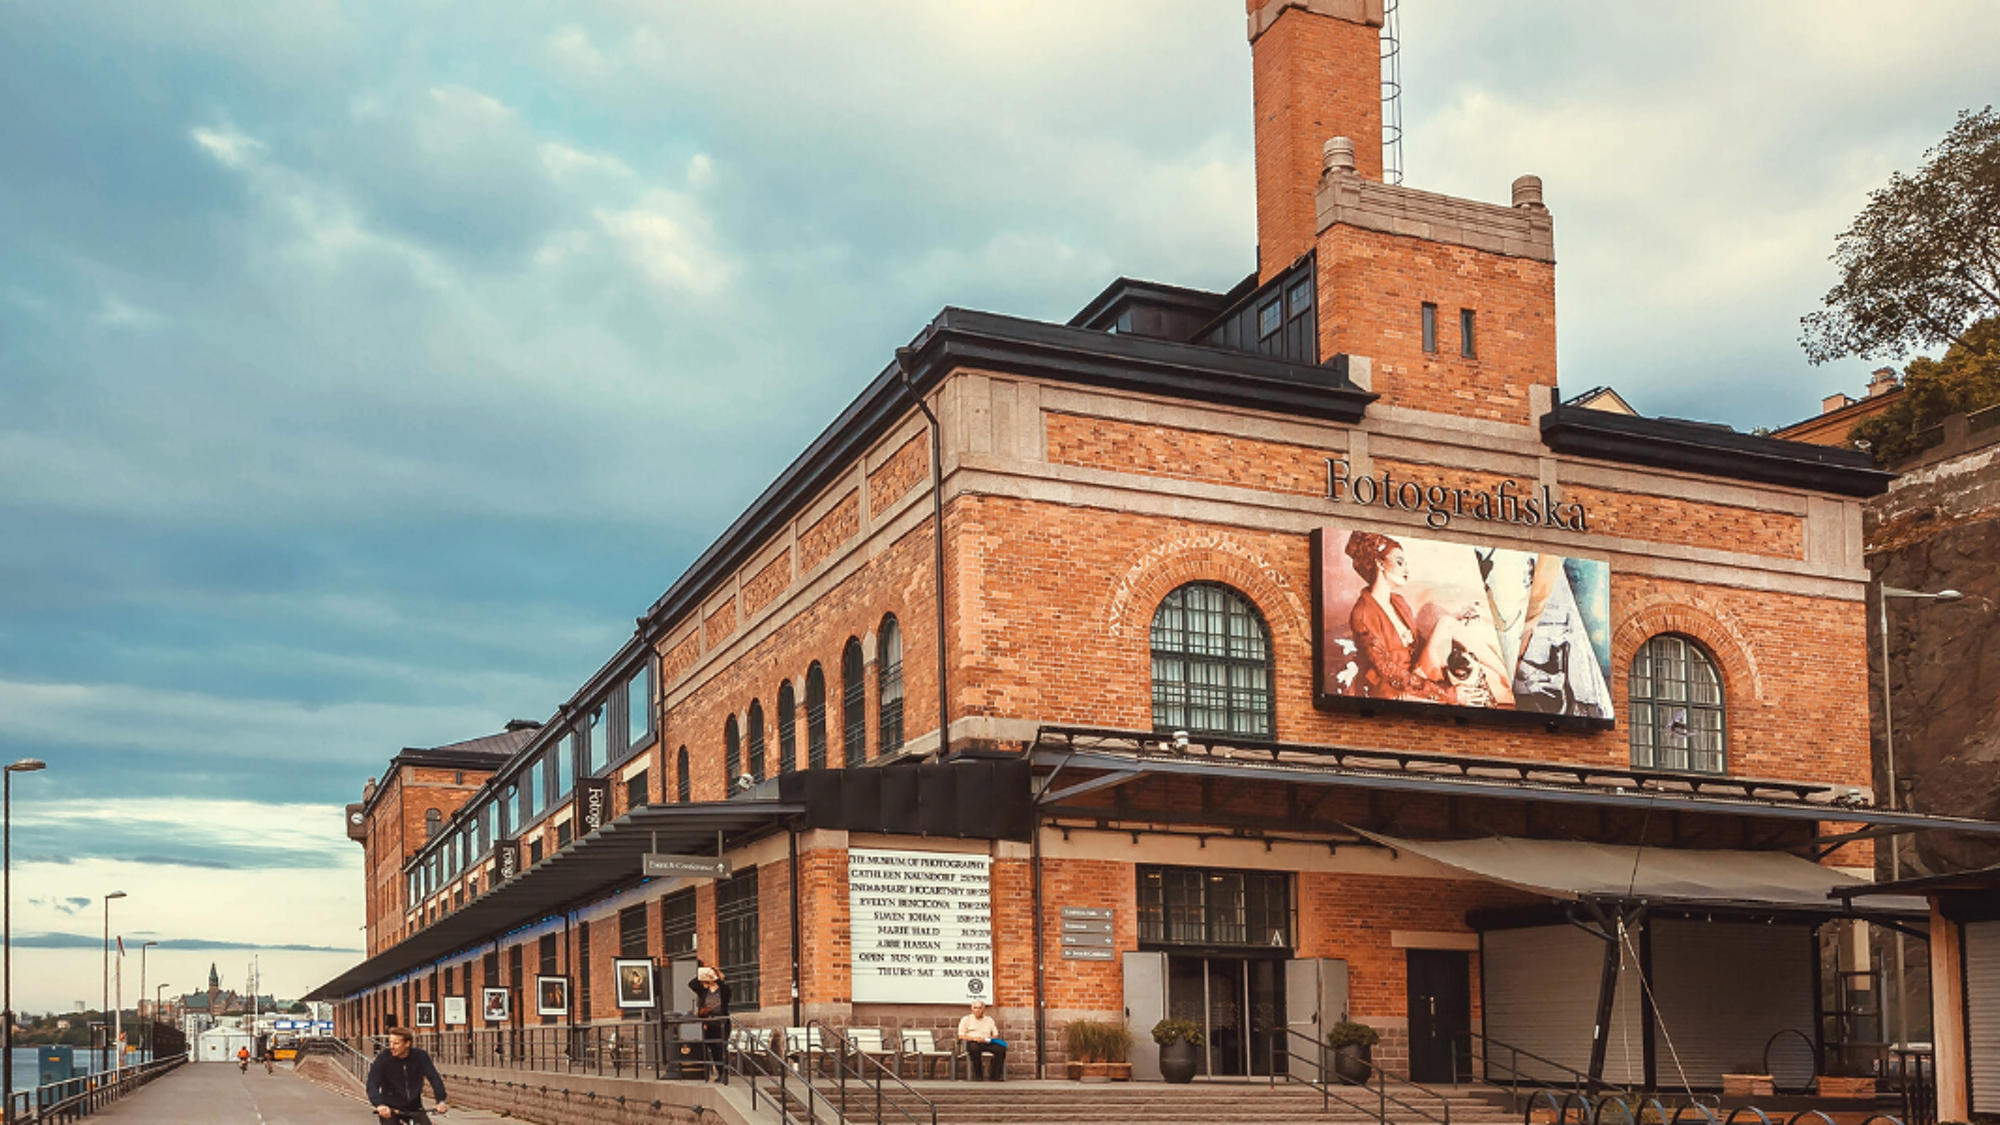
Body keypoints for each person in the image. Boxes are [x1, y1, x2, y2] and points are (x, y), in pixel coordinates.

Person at [1343, 531, 1512, 707]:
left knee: (1448, 624)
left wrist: (1456, 628)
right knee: (1468, 684)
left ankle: (1504, 676)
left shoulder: (1398, 602)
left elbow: (1419, 644)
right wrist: (1447, 694)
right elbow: (1389, 673)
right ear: (1379, 563)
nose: (1406, 569)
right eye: (1399, 562)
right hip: (1393, 692)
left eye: (1406, 563)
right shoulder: (1362, 613)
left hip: (1415, 676)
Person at [367, 1027, 449, 1123]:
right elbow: (372, 1082)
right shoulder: (383, 1058)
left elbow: (434, 1077)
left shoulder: (420, 1056)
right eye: (390, 1043)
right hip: (391, 1109)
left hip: (415, 1108)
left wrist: (440, 1101)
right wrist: (379, 1104)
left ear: (407, 1043)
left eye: (396, 1043)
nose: (391, 1047)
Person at [687, 965, 730, 1080]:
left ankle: (724, 1072)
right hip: (709, 1023)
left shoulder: (722, 989)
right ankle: (719, 1071)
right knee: (713, 1047)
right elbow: (692, 984)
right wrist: (702, 974)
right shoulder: (704, 991)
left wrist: (715, 978)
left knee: (721, 1047)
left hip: (721, 1022)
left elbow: (727, 993)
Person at [956, 1000, 1006, 1081]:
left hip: (986, 1041)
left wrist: (986, 1039)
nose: (977, 1010)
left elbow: (995, 1035)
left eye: (980, 1008)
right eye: (975, 1008)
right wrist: (974, 1038)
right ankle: (978, 1075)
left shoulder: (989, 1020)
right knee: (974, 1048)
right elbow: (961, 1036)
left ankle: (995, 1076)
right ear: (972, 1009)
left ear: (983, 1009)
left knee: (1001, 1049)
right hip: (972, 1041)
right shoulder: (966, 1020)